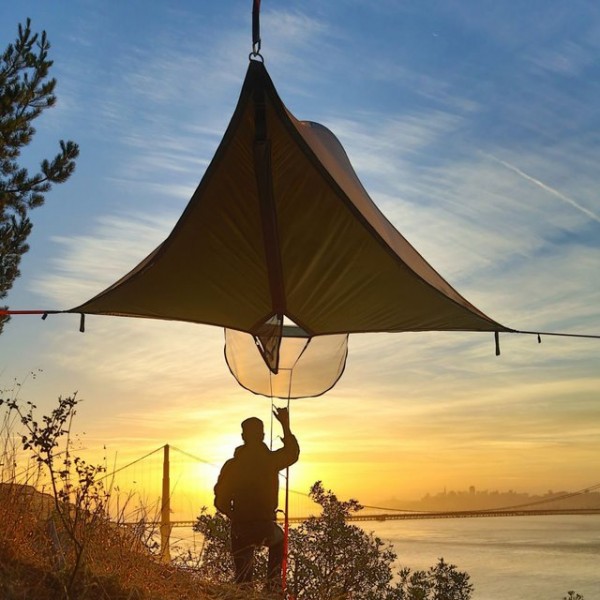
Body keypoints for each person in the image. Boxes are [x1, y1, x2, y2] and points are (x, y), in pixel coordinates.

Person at [214, 407, 300, 592]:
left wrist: (235, 515)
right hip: (265, 526)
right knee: (279, 540)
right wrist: (285, 425)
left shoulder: (233, 465)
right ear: (262, 435)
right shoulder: (270, 461)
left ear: (243, 436)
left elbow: (220, 501)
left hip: (240, 528)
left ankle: (245, 592)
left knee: (243, 581)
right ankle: (273, 587)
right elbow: (292, 453)